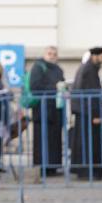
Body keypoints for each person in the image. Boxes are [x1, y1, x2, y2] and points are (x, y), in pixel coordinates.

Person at [69, 46, 102, 180]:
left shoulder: (87, 68)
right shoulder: (90, 70)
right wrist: (96, 114)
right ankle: (89, 171)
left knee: (84, 141)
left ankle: (85, 170)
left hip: (84, 112)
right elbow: (92, 93)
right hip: (88, 113)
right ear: (95, 56)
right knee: (89, 142)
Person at [27, 46, 65, 176]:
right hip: (42, 110)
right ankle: (43, 167)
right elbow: (35, 86)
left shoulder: (58, 69)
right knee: (43, 139)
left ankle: (53, 166)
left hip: (56, 109)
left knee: (55, 139)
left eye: (54, 54)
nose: (52, 56)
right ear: (44, 55)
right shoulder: (38, 67)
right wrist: (54, 88)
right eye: (49, 53)